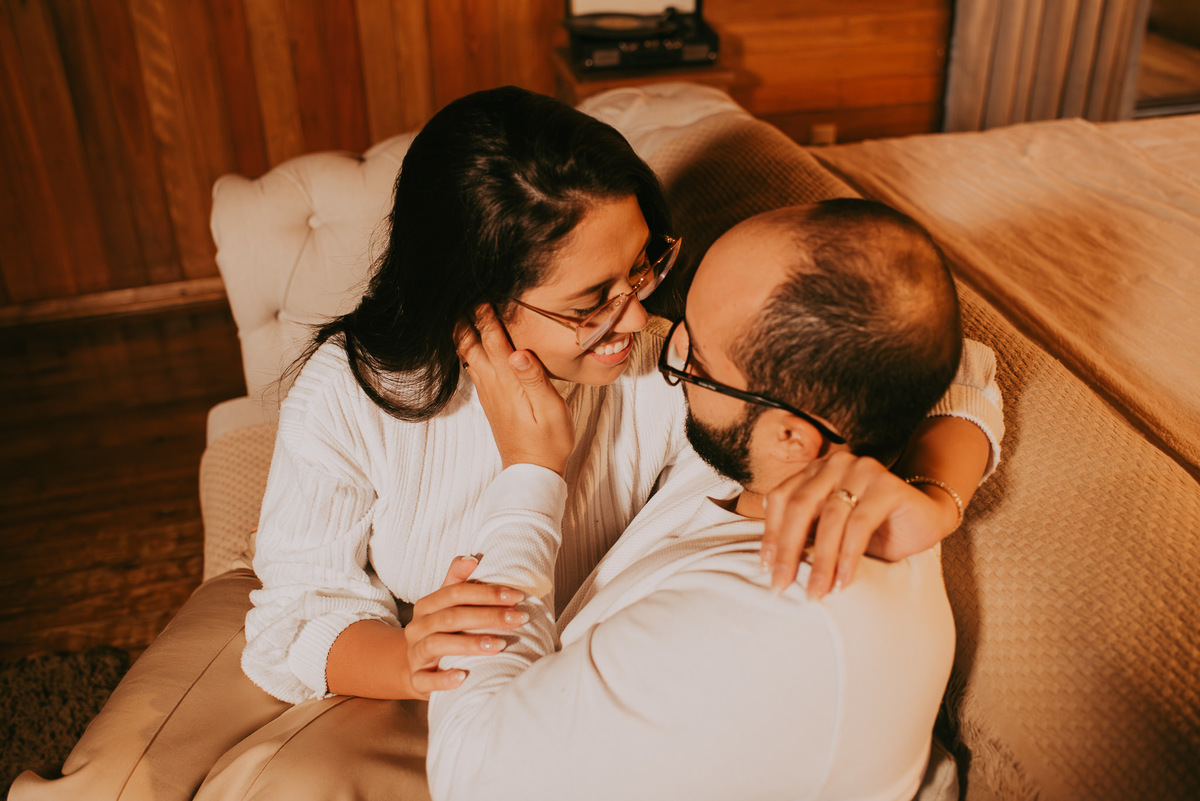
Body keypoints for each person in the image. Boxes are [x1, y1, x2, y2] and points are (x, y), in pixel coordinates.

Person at [9, 87, 999, 801]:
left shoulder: (664, 371)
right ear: (475, 297)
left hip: (497, 684)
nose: (636, 317)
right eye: (590, 300)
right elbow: (291, 618)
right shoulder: (351, 397)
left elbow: (936, 358)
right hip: (365, 635)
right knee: (106, 784)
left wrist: (931, 497)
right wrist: (407, 654)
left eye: (642, 267)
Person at [429, 199, 989, 801]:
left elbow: (472, 779)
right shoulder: (837, 462)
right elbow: (969, 365)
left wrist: (530, 471)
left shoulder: (765, 626)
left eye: (695, 361)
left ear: (791, 437)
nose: (656, 343)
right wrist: (937, 495)